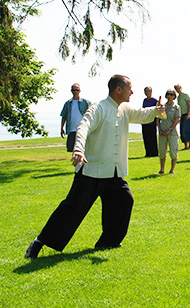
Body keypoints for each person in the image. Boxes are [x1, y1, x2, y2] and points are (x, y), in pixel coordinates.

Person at [25, 75, 165, 259]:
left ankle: (108, 241)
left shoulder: (124, 108)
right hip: (91, 171)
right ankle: (39, 243)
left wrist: (157, 110)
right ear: (118, 90)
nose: (132, 92)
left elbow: (142, 114)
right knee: (73, 208)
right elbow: (84, 127)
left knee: (124, 200)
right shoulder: (98, 108)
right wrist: (78, 149)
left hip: (112, 172)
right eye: (129, 88)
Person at [60, 83, 91, 152]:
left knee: (84, 148)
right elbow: (64, 116)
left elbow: (91, 115)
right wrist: (62, 127)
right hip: (72, 130)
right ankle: (76, 162)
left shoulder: (86, 102)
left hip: (83, 129)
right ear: (71, 91)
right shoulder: (68, 103)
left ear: (80, 91)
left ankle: (83, 162)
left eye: (77, 90)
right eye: (73, 90)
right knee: (73, 149)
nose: (75, 92)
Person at [157, 89, 181, 174]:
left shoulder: (176, 107)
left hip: (172, 132)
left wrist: (169, 130)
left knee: (173, 151)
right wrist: (159, 129)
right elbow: (158, 118)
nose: (169, 96)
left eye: (171, 94)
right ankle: (162, 169)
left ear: (174, 96)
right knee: (162, 150)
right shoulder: (162, 106)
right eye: (168, 94)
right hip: (162, 131)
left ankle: (172, 170)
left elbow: (177, 119)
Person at [141, 87, 159, 157]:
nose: (147, 92)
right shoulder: (145, 100)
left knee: (152, 138)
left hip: (152, 122)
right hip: (145, 121)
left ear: (151, 92)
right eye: (146, 91)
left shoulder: (154, 100)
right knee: (146, 138)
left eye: (148, 91)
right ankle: (148, 153)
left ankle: (154, 153)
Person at [175, 84, 190, 150]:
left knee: (187, 129)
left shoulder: (185, 95)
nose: (178, 90)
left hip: (187, 113)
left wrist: (188, 114)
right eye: (176, 89)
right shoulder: (178, 97)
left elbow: (189, 104)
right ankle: (186, 146)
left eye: (178, 88)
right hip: (182, 115)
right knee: (182, 130)